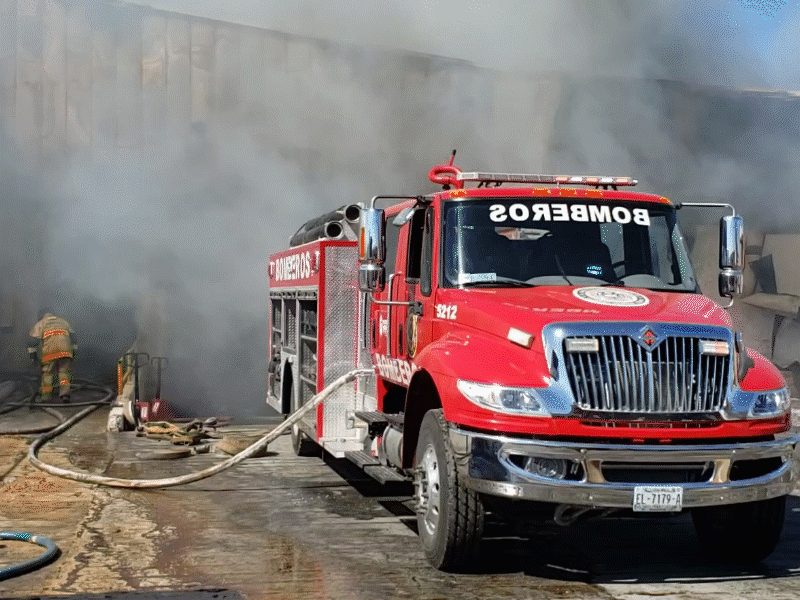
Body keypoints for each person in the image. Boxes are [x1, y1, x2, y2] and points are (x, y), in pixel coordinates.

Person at [28, 310, 77, 403]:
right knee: (64, 373)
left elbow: (32, 342)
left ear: (42, 316)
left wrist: (33, 357)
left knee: (47, 374)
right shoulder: (63, 321)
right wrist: (74, 352)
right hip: (66, 351)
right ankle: (65, 395)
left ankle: (45, 397)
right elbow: (74, 338)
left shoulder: (41, 323)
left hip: (50, 352)